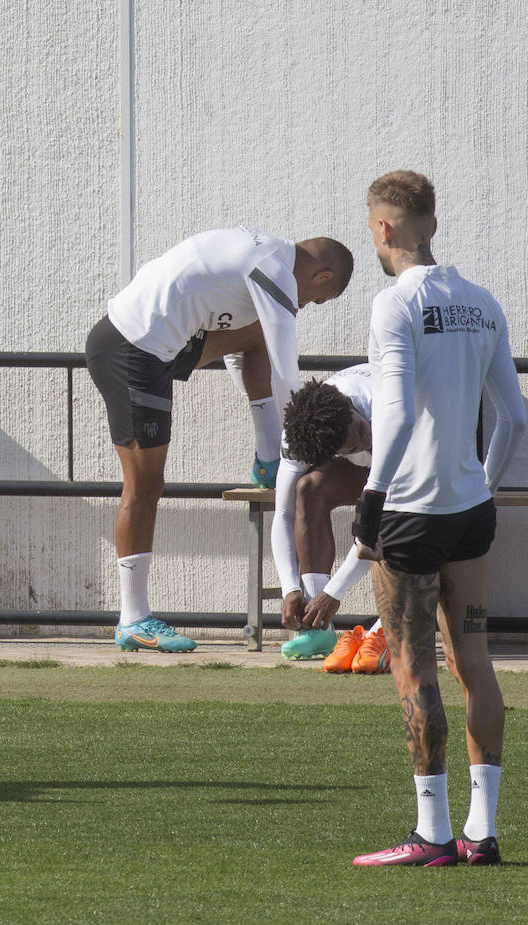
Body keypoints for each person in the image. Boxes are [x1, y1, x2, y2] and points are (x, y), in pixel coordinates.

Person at [348, 171, 526, 866]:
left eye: (372, 225)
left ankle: (432, 834)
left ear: (386, 228)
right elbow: (510, 417)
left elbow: (389, 412)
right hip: (469, 511)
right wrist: (482, 486)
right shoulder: (482, 302)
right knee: (475, 663)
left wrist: (371, 496)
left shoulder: (394, 304)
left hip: (413, 514)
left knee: (413, 667)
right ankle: (481, 833)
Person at [85, 227, 354, 652]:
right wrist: (299, 448)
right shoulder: (275, 273)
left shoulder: (268, 254)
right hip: (132, 349)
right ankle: (133, 619)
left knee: (258, 332)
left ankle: (266, 457)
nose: (307, 306)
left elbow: (241, 352)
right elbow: (286, 370)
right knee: (144, 487)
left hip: (160, 344)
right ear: (321, 276)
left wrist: (273, 446)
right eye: (317, 300)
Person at [273, 366, 390, 671]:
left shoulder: (386, 406)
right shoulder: (300, 435)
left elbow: (380, 522)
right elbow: (284, 515)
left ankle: (386, 630)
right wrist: (291, 589)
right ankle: (318, 626)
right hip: (368, 466)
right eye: (352, 447)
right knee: (308, 488)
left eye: (361, 430)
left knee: (398, 513)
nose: (365, 441)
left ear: (349, 406)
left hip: (423, 456)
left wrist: (334, 592)